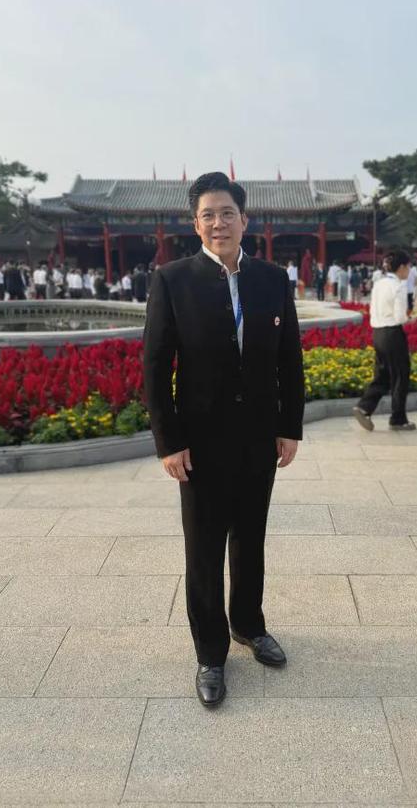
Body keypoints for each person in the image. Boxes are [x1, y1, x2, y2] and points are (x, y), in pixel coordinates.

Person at [144, 171, 304, 708]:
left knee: (251, 538)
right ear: (196, 224)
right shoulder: (173, 280)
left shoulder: (272, 279)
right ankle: (210, 652)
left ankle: (249, 625)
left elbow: (290, 359)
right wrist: (168, 442)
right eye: (208, 215)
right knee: (205, 548)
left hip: (258, 436)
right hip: (200, 442)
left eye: (227, 213)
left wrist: (288, 426)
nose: (219, 223)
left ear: (244, 219)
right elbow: (155, 366)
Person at [353, 250, 416, 433]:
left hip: (378, 333)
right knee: (400, 375)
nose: (409, 271)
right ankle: (398, 419)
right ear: (402, 267)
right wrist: (411, 319)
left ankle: (364, 407)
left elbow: (373, 310)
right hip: (393, 333)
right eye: (408, 267)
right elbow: (400, 317)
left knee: (383, 374)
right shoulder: (399, 286)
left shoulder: (379, 284)